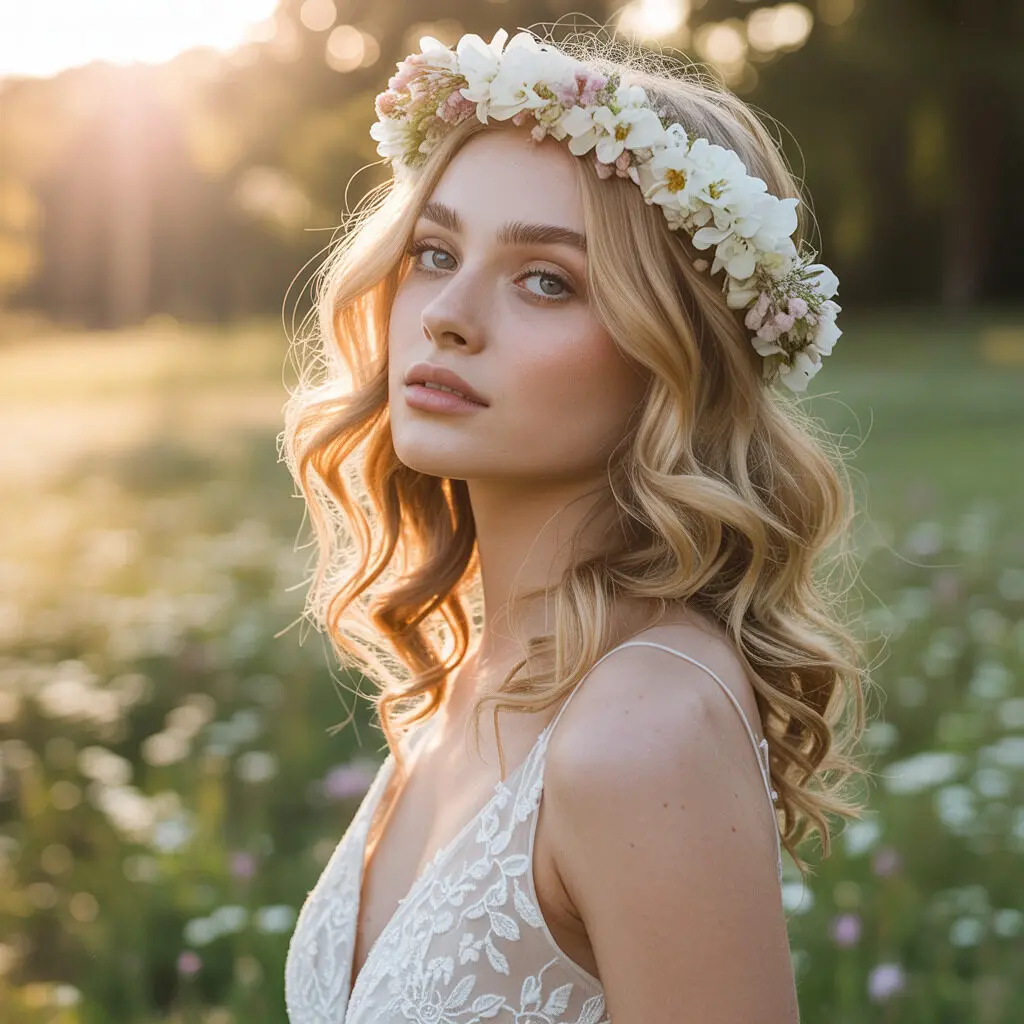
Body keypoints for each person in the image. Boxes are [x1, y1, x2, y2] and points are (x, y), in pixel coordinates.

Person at [281, 25, 870, 1024]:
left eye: (545, 279)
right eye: (433, 252)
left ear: (671, 352)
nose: (447, 315)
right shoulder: (466, 677)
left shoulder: (641, 732)